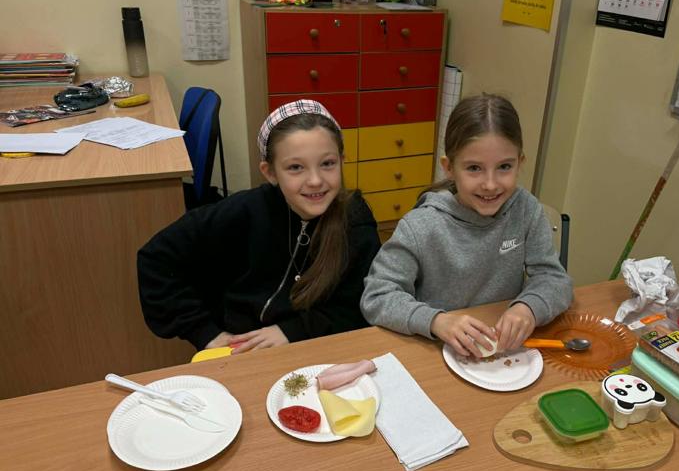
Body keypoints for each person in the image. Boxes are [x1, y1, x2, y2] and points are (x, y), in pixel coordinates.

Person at [138, 100, 381, 353]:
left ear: (342, 161)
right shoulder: (245, 210)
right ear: (270, 172)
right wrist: (205, 333)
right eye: (295, 167)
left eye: (327, 163)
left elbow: (358, 306)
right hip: (241, 348)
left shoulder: (355, 221)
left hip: (316, 349)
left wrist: (293, 331)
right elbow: (156, 258)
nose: (315, 180)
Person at [360, 94, 573, 358]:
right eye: (474, 168)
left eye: (504, 167)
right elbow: (377, 296)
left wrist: (528, 308)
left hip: (504, 354)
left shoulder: (526, 210)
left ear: (520, 163)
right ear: (449, 168)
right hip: (435, 352)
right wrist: (435, 320)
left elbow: (554, 279)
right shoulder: (421, 226)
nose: (490, 184)